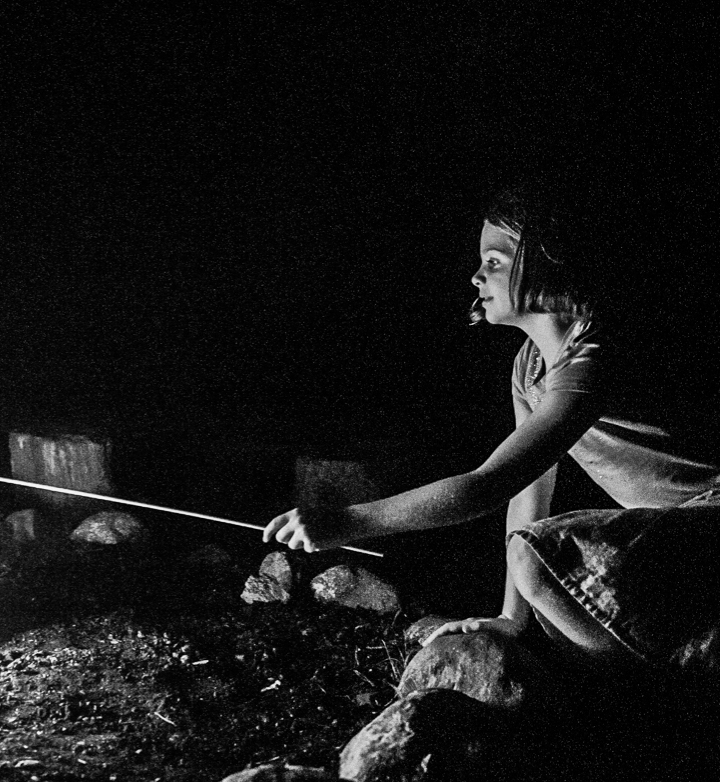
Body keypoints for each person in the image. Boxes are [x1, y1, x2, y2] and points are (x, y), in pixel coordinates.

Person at [264, 183, 720, 672]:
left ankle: (658, 693)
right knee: (539, 558)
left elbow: (486, 484)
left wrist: (350, 520)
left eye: (496, 261)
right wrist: (509, 618)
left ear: (549, 265)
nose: (478, 275)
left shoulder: (594, 357)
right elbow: (526, 495)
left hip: (707, 517)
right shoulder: (530, 369)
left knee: (540, 557)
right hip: (674, 531)